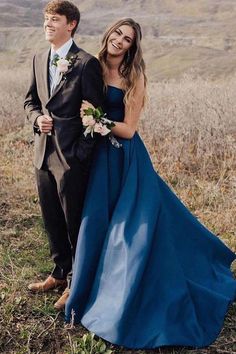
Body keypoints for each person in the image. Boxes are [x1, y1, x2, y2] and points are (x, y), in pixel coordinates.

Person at [65, 18, 236, 349]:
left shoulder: (134, 76)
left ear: (132, 46)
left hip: (123, 158)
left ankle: (123, 298)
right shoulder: (91, 65)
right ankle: (80, 286)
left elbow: (129, 129)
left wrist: (98, 121)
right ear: (108, 34)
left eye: (127, 39)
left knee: (129, 229)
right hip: (94, 158)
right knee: (97, 222)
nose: (119, 40)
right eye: (117, 33)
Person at [24, 0, 104, 310]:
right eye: (46, 19)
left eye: (54, 19)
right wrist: (36, 120)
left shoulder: (86, 63)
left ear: (71, 24)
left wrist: (80, 155)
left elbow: (96, 113)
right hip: (42, 154)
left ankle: (75, 281)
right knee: (51, 217)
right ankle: (58, 273)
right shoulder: (38, 58)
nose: (47, 24)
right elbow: (31, 101)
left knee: (74, 222)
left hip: (71, 158)